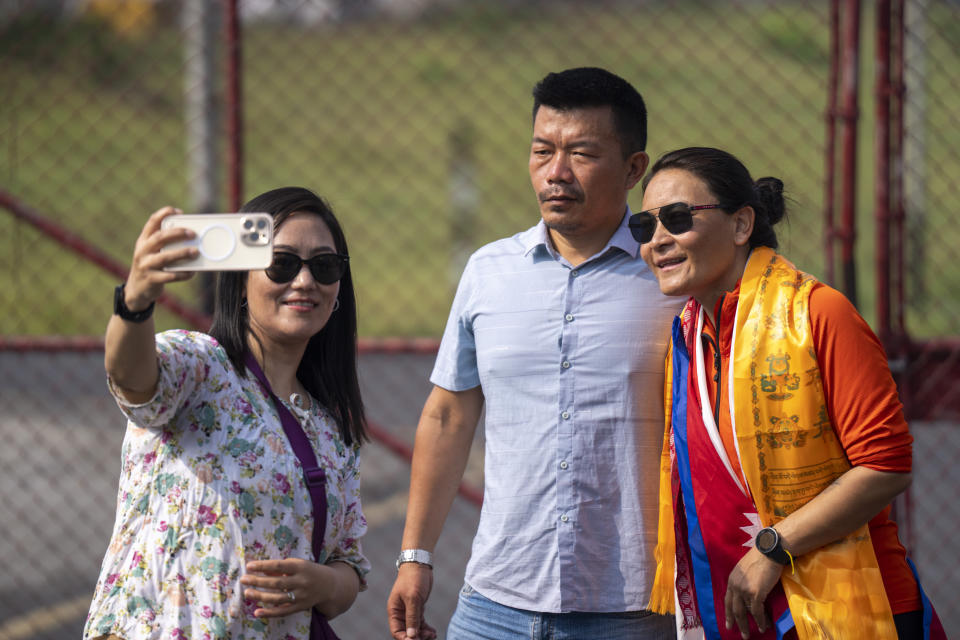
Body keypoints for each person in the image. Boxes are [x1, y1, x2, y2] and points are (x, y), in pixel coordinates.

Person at [386, 67, 681, 640]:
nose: (556, 173)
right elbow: (448, 416)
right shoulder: (488, 272)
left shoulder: (672, 276)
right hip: (494, 603)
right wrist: (414, 556)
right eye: (542, 150)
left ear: (634, 169)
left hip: (635, 608)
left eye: (582, 154)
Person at [635, 147, 945, 639]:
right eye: (644, 226)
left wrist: (772, 547)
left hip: (855, 610)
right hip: (746, 610)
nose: (657, 241)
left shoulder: (818, 313)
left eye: (676, 218)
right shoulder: (687, 337)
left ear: (741, 226)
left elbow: (885, 465)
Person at [85, 187, 369, 640]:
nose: (304, 281)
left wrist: (324, 583)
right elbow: (133, 379)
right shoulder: (201, 367)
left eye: (324, 266)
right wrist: (135, 302)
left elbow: (349, 565)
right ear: (240, 282)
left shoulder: (331, 429)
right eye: (281, 263)